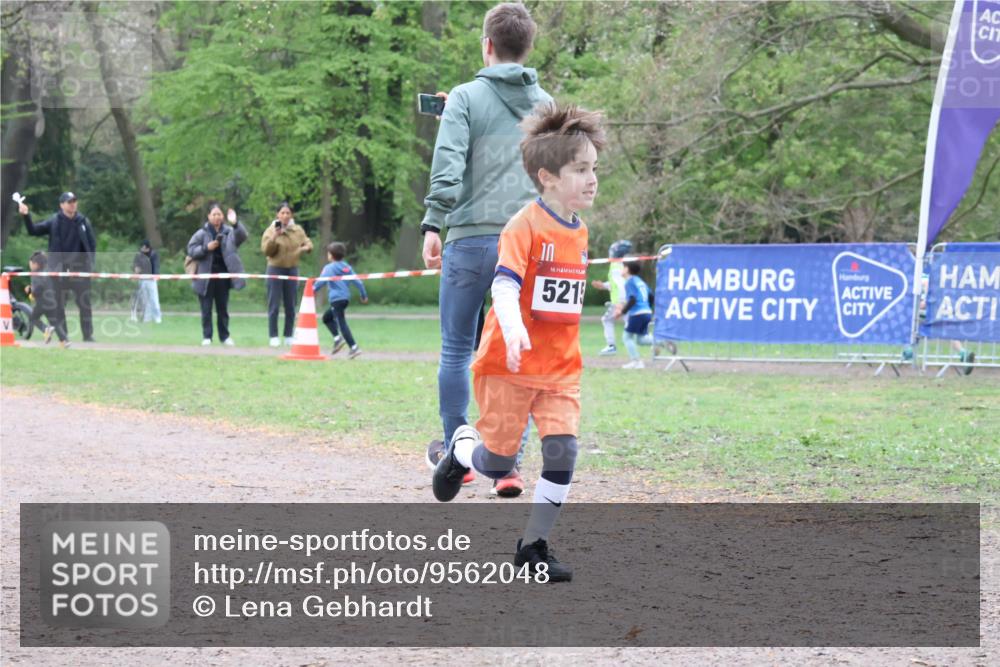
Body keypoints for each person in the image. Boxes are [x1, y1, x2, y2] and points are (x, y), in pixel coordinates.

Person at [431, 102, 606, 582]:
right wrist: (512, 329)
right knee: (497, 462)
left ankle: (533, 546)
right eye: (581, 170)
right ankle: (459, 448)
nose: (592, 179)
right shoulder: (522, 225)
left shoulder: (582, 230)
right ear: (548, 176)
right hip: (508, 365)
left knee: (562, 451)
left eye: (595, 169)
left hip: (559, 371)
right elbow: (505, 285)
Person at [421, 2, 552, 494]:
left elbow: (450, 161)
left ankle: (458, 448)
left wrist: (433, 221)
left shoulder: (465, 97)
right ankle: (508, 464)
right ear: (528, 48)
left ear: (487, 44)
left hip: (470, 239)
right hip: (528, 243)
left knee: (457, 347)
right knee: (513, 351)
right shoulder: (548, 105)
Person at [19, 192, 97, 342]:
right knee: (59, 306)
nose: (73, 204)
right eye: (69, 202)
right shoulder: (54, 222)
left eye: (74, 201)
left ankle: (88, 336)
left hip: (80, 270)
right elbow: (33, 230)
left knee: (85, 304)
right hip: (58, 271)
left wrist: (90, 264)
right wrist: (26, 215)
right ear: (62, 205)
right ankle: (64, 336)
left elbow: (91, 244)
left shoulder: (83, 222)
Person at [186, 203, 247, 346]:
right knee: (206, 309)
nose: (217, 217)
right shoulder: (201, 233)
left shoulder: (229, 232)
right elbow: (191, 250)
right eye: (214, 214)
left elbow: (242, 236)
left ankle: (225, 337)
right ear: (208, 216)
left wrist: (236, 223)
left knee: (223, 309)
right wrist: (206, 248)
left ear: (223, 216)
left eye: (219, 214)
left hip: (223, 277)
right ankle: (207, 337)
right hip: (205, 278)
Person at [261, 202, 312, 347]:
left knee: (291, 304)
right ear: (278, 214)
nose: (285, 216)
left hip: (292, 269)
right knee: (274, 304)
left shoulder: (297, 230)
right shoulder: (271, 230)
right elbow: (266, 251)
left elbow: (308, 243)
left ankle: (289, 335)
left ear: (291, 215)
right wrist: (275, 237)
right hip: (275, 269)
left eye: (288, 213)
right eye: (282, 213)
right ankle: (273, 336)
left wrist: (304, 248)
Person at [313, 242, 368, 358]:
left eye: (328, 253)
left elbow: (321, 281)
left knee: (341, 323)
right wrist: (363, 295)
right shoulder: (347, 267)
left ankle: (354, 347)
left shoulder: (329, 268)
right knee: (327, 318)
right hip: (345, 299)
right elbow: (358, 281)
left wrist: (311, 290)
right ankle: (337, 339)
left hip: (336, 299)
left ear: (331, 255)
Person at [591, 239, 631, 355]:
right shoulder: (620, 264)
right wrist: (603, 285)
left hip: (620, 301)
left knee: (607, 320)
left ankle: (611, 346)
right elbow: (615, 284)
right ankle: (656, 342)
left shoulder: (616, 265)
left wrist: (621, 302)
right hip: (624, 300)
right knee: (632, 326)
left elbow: (621, 285)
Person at [24, 251, 70, 348]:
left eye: (31, 264)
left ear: (35, 264)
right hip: (51, 301)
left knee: (33, 319)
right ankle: (64, 341)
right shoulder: (47, 271)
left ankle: (45, 329)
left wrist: (29, 290)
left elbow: (38, 289)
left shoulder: (35, 274)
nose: (30, 266)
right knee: (55, 322)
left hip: (42, 302)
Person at [616, 260, 654, 369]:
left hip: (637, 313)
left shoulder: (630, 282)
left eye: (623, 267)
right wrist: (647, 309)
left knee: (627, 337)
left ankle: (637, 362)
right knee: (641, 340)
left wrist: (622, 312)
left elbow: (632, 299)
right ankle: (661, 341)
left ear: (627, 269)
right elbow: (651, 296)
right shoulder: (640, 281)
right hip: (646, 312)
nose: (621, 270)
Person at [132, 240, 162, 323]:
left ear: (147, 248)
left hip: (151, 280)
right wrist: (135, 271)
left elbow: (156, 266)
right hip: (142, 279)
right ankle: (146, 318)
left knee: (154, 299)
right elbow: (135, 265)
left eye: (144, 247)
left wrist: (155, 275)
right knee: (144, 300)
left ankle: (157, 318)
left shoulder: (154, 254)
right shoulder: (139, 255)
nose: (142, 249)